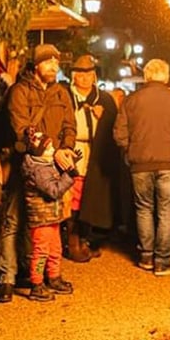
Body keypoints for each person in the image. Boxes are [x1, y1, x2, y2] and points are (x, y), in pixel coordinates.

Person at [0, 44, 76, 303]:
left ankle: (45, 276)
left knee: (48, 224)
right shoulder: (20, 91)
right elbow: (22, 129)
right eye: (48, 62)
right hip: (23, 166)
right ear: (36, 64)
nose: (54, 66)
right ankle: (6, 277)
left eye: (56, 61)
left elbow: (69, 125)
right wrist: (53, 151)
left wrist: (67, 148)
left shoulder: (61, 92)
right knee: (13, 221)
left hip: (54, 166)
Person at [113, 58, 170, 276]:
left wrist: (128, 151)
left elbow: (119, 132)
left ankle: (146, 256)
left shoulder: (131, 100)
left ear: (146, 76)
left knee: (144, 208)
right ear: (166, 76)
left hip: (139, 162)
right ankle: (163, 261)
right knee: (166, 211)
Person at [65, 55, 118, 262]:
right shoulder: (66, 97)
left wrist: (102, 118)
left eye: (88, 74)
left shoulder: (104, 99)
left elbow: (114, 125)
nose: (85, 78)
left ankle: (85, 238)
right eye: (80, 74)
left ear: (94, 76)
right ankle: (73, 241)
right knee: (73, 197)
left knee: (92, 198)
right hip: (75, 150)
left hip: (96, 154)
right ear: (74, 76)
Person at [22, 130, 77, 301]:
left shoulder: (46, 165)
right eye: (49, 148)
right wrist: (69, 176)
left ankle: (54, 277)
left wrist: (68, 167)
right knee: (41, 252)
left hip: (52, 217)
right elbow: (53, 191)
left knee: (55, 249)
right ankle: (36, 283)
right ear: (39, 152)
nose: (53, 150)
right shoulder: (38, 170)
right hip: (42, 219)